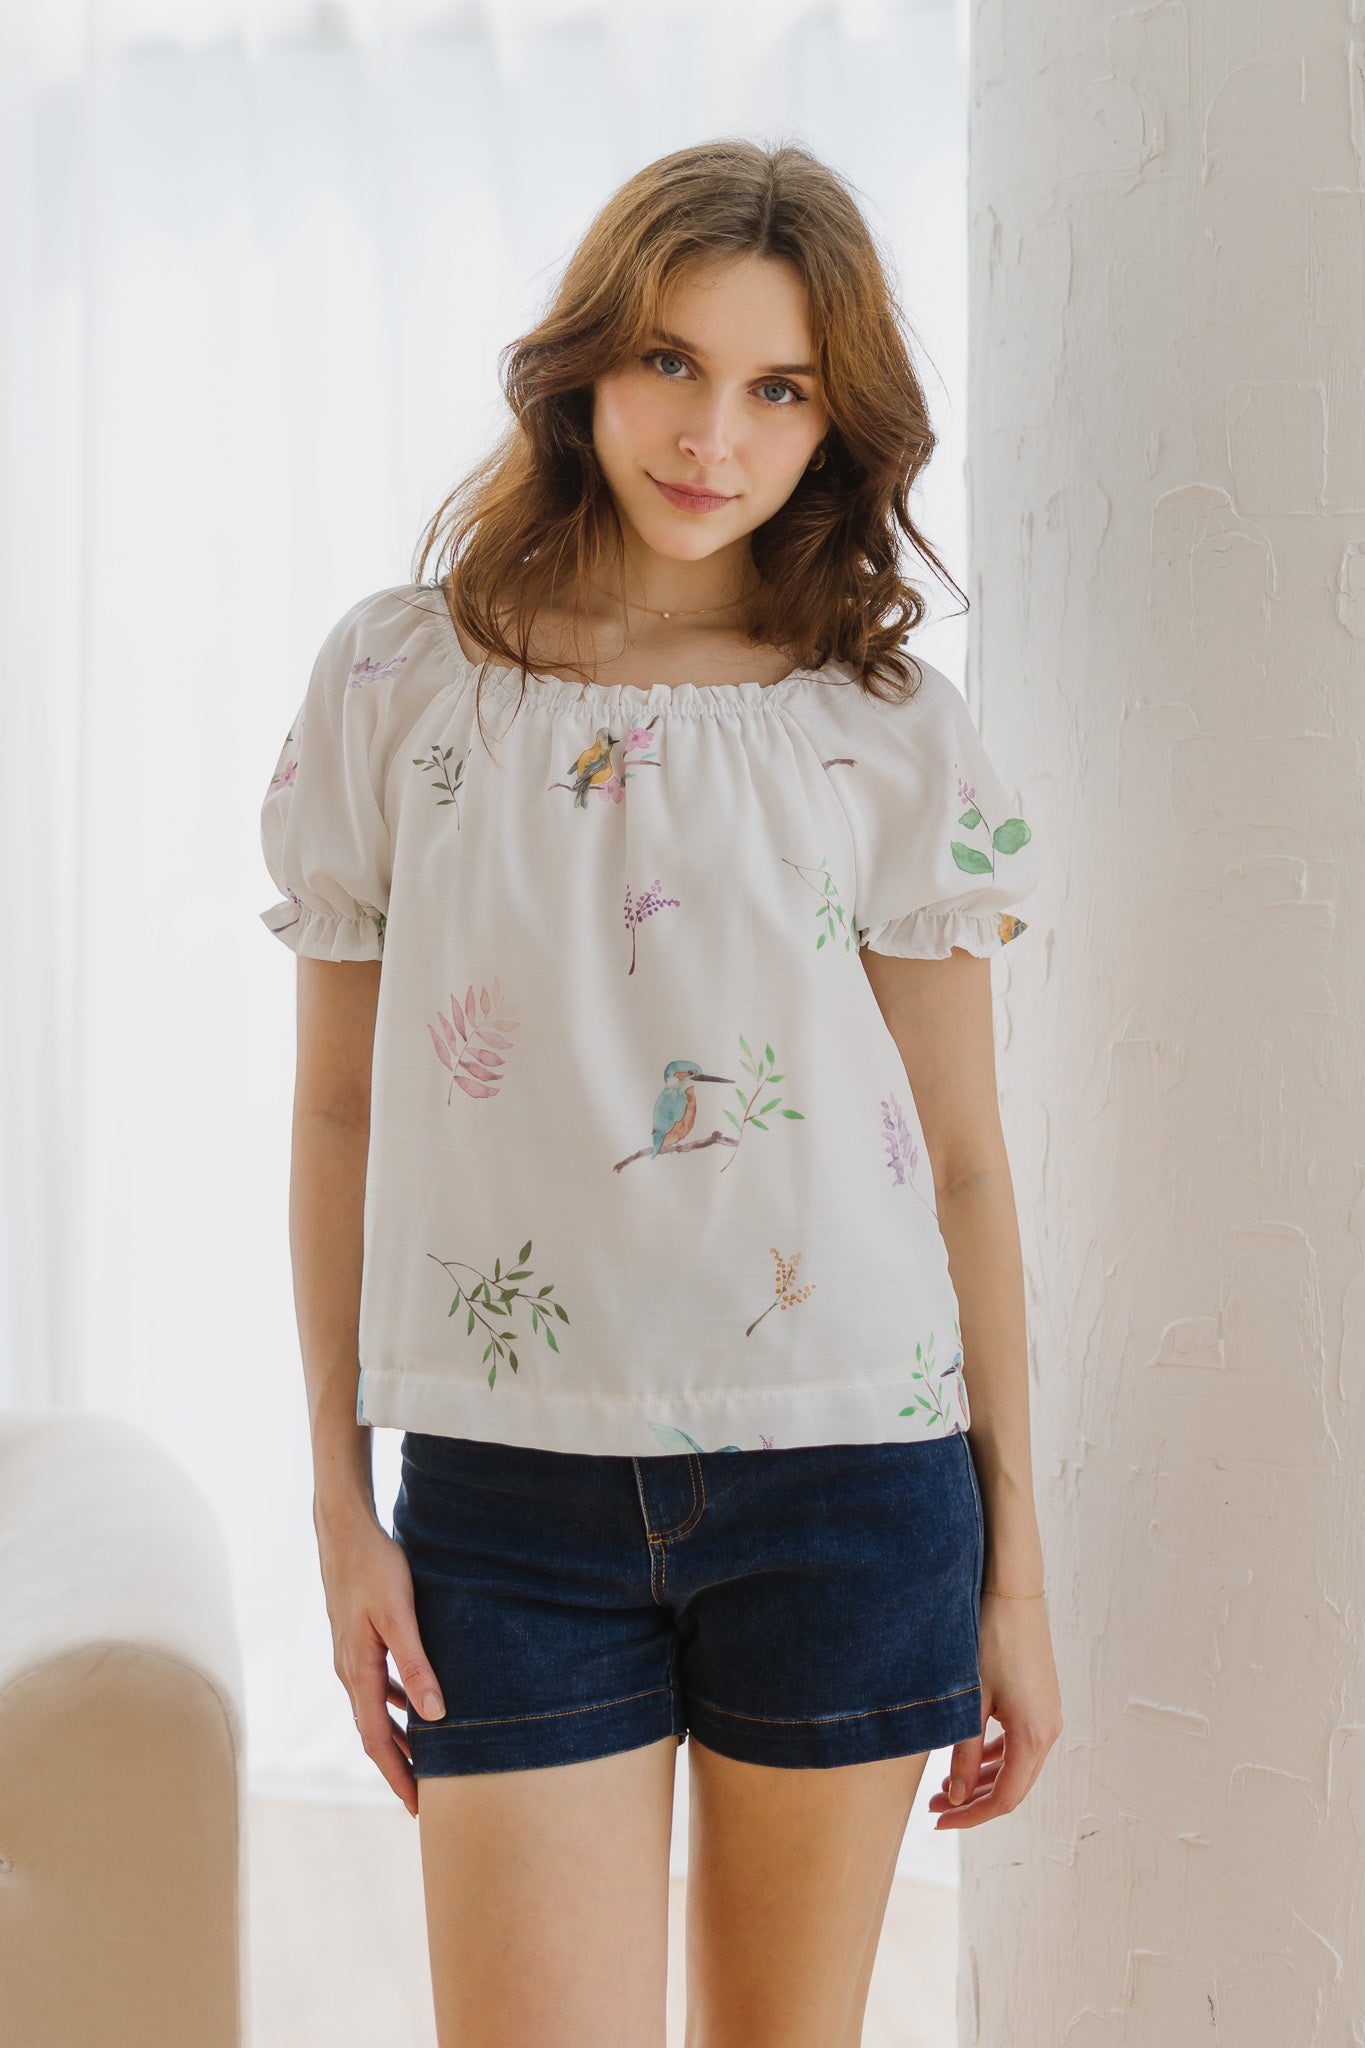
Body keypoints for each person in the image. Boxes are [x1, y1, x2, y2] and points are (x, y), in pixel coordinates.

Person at [259, 138, 1063, 2048]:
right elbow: (338, 1116)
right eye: (673, 364)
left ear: (837, 425)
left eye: (780, 388)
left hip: (851, 1483)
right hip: (502, 1500)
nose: (716, 436)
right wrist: (339, 1508)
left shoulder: (878, 723)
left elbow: (961, 1162)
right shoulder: (400, 682)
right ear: (584, 369)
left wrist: (1017, 1577)